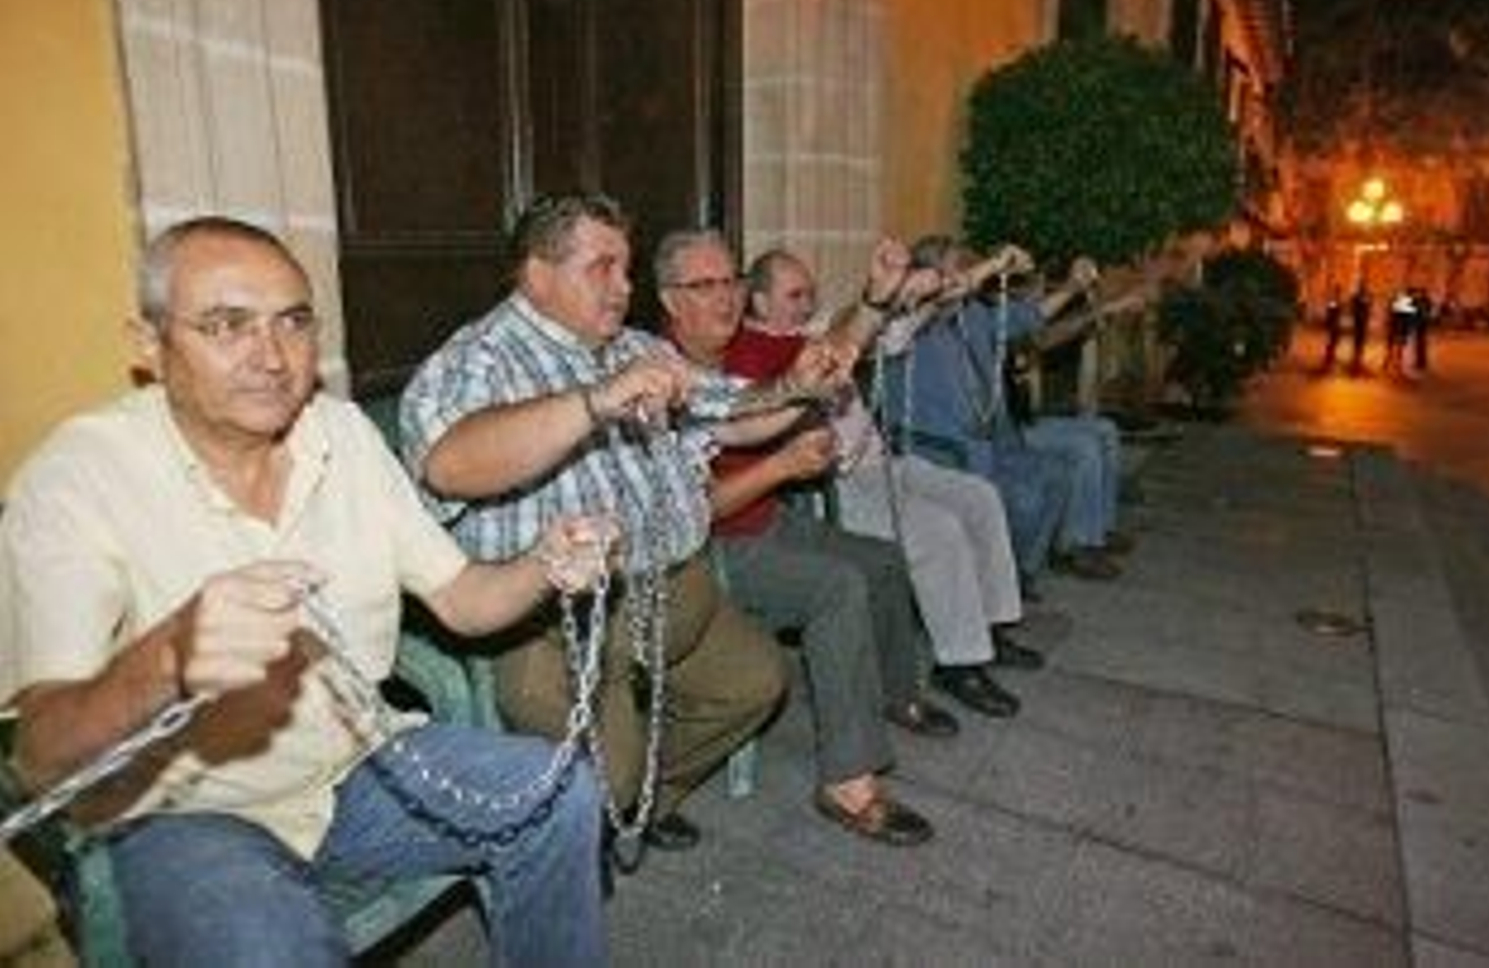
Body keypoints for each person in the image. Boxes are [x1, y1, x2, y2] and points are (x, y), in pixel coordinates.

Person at [0, 217, 608, 966]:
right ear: (147, 345)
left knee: (559, 790)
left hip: (354, 766)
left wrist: (545, 562)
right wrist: (166, 659)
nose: (271, 356)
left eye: (292, 322)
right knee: (269, 948)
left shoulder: (340, 433)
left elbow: (464, 599)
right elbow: (40, 755)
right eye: (226, 325)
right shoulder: (76, 478)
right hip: (186, 813)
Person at [400, 193, 787, 857]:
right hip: (555, 621)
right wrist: (594, 402)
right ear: (537, 272)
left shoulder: (634, 346)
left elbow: (738, 413)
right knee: (616, 772)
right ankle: (606, 808)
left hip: (671, 593)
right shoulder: (479, 359)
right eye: (601, 267)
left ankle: (641, 803)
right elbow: (449, 464)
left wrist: (805, 383)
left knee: (757, 682)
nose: (624, 286)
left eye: (626, 268)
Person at [660, 228, 951, 847]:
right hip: (713, 551)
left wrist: (874, 300)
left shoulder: (737, 352)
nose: (725, 297)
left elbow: (825, 357)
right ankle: (848, 782)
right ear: (668, 300)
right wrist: (781, 465)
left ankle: (893, 694)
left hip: (768, 520)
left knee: (881, 561)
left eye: (731, 281)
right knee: (837, 587)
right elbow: (693, 514)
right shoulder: (662, 376)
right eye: (704, 286)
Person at [743, 247, 1039, 719]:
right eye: (795, 295)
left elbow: (892, 326)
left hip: (883, 462)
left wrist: (968, 276)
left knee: (980, 498)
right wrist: (878, 303)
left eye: (810, 294)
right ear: (760, 302)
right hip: (833, 487)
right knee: (937, 530)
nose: (807, 304)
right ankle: (960, 663)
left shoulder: (810, 331)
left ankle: (991, 627)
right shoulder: (752, 354)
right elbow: (847, 328)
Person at [882, 235, 1131, 594]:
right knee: (1026, 495)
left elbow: (1031, 317)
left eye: (968, 269)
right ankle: (999, 578)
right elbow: (929, 300)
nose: (968, 277)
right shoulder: (910, 325)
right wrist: (995, 265)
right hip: (944, 453)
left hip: (994, 441)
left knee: (1058, 474)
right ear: (924, 278)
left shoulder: (975, 314)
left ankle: (1019, 571)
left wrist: (1073, 287)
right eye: (959, 269)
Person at [1347, 282, 1372, 375]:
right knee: (1357, 342)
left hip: (1362, 323)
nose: (1364, 289)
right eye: (1363, 288)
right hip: (1358, 322)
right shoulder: (1357, 297)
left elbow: (1368, 307)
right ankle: (1356, 361)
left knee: (1360, 342)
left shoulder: (1365, 297)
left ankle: (1358, 359)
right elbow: (1353, 308)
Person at [1318, 291, 1343, 374]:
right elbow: (1331, 313)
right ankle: (1328, 358)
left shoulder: (1337, 302)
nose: (1339, 295)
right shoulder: (1332, 303)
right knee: (1331, 342)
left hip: (1336, 325)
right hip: (1333, 325)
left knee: (1334, 342)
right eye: (1338, 294)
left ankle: (1331, 356)